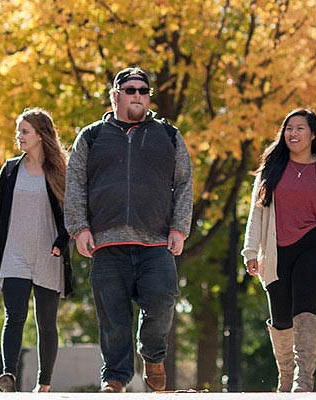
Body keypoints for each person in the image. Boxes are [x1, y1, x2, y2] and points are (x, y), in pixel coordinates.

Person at [64, 67, 194, 393]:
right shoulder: (91, 136)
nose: (138, 95)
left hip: (156, 241)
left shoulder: (168, 136)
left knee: (163, 300)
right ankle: (115, 378)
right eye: (130, 90)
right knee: (113, 319)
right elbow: (75, 184)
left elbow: (184, 183)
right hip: (106, 242)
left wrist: (179, 228)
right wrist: (79, 228)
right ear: (115, 95)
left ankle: (152, 354)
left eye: (143, 91)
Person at [241, 108, 316, 392]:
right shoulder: (270, 170)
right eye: (289, 128)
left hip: (314, 244)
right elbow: (256, 214)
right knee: (281, 317)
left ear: (313, 134)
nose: (293, 133)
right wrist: (250, 251)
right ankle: (286, 376)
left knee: (305, 309)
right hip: (277, 249)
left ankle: (303, 380)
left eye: (300, 128)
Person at [0, 108, 74, 393]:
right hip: (14, 253)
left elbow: (72, 215)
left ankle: (44, 383)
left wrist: (61, 242)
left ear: (41, 135)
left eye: (25, 131)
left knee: (46, 322)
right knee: (14, 316)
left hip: (48, 255)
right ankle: (8, 375)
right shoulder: (10, 170)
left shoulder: (60, 172)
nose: (18, 136)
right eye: (18, 131)